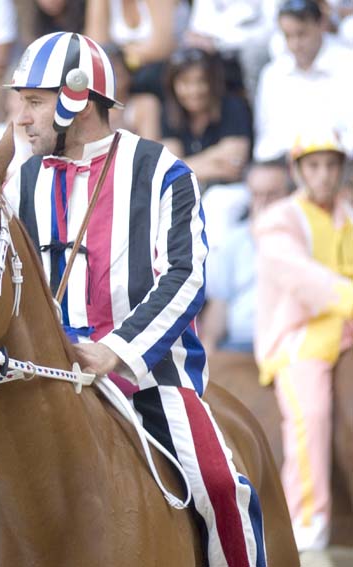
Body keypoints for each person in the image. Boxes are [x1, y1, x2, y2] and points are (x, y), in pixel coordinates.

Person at [3, 32, 266, 566]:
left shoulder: (165, 173)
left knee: (224, 488)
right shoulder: (21, 182)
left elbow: (186, 276)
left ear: (75, 100)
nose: (20, 118)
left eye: (33, 102)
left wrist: (114, 352)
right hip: (42, 381)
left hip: (149, 378)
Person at [254, 129, 353, 552]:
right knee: (310, 414)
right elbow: (305, 279)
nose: (324, 175)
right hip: (301, 336)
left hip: (346, 327)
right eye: (314, 166)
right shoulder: (277, 220)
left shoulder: (349, 213)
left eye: (331, 165)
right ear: (298, 171)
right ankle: (308, 531)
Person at [201, 162, 291, 354]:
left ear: (290, 196)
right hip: (238, 348)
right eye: (256, 195)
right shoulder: (232, 242)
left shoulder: (303, 238)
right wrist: (207, 353)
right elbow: (219, 305)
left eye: (272, 194)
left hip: (289, 346)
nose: (263, 203)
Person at [253, 0, 353, 162]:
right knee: (262, 180)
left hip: (342, 163)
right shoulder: (272, 74)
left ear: (321, 24)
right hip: (288, 165)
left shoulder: (348, 65)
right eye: (288, 36)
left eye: (301, 34)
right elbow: (266, 141)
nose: (295, 44)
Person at [161, 47, 253, 188]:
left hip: (228, 189)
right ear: (173, 85)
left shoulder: (231, 106)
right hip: (185, 190)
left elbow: (234, 166)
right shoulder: (170, 112)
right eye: (185, 83)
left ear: (212, 82)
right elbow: (167, 169)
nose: (194, 90)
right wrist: (216, 158)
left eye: (201, 81)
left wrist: (182, 166)